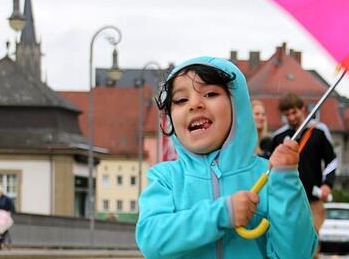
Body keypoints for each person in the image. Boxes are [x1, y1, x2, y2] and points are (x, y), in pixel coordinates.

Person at [135, 57, 317, 258]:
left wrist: (286, 181)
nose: (194, 104)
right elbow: (151, 240)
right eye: (181, 100)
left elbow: (296, 254)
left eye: (210, 93)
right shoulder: (165, 178)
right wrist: (222, 214)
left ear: (237, 106)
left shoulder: (269, 176)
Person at [268, 92, 337, 258]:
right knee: (289, 244)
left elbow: (332, 160)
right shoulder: (278, 137)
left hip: (312, 200)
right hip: (286, 201)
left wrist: (327, 184)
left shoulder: (319, 131)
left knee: (310, 244)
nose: (291, 118)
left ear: (302, 110)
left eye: (294, 112)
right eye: (287, 115)